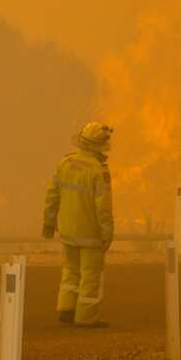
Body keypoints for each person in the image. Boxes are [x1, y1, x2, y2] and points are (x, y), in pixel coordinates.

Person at [42, 121, 114, 327]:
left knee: (71, 270)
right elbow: (104, 208)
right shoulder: (99, 171)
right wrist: (107, 234)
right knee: (91, 275)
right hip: (90, 233)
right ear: (99, 146)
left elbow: (52, 195)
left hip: (67, 230)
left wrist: (48, 222)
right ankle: (86, 317)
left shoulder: (65, 163)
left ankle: (66, 308)